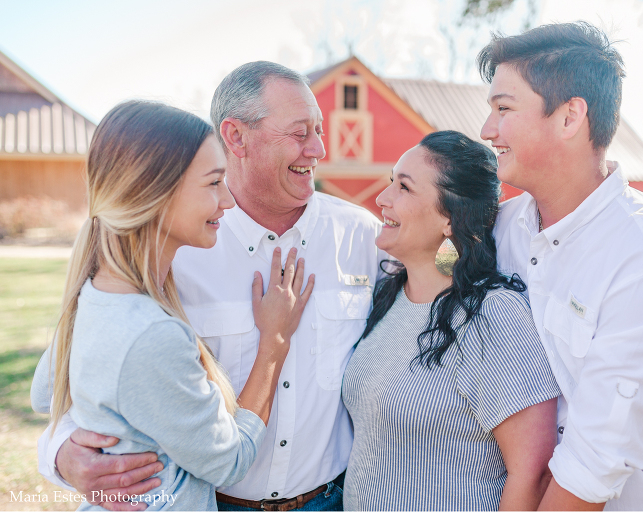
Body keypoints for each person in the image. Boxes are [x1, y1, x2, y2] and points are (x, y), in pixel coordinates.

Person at [36, 62, 383, 511]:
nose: (318, 148)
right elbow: (60, 384)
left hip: (332, 500)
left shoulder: (364, 237)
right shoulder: (169, 247)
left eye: (319, 130)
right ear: (235, 137)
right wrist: (62, 456)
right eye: (300, 133)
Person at [479, 22, 643, 511]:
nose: (486, 129)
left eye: (503, 108)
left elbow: (591, 471)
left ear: (570, 117)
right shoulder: (503, 230)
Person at [342, 130, 561, 511]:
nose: (382, 199)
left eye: (404, 188)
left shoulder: (492, 316)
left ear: (449, 219)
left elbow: (534, 472)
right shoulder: (387, 296)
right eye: (391, 181)